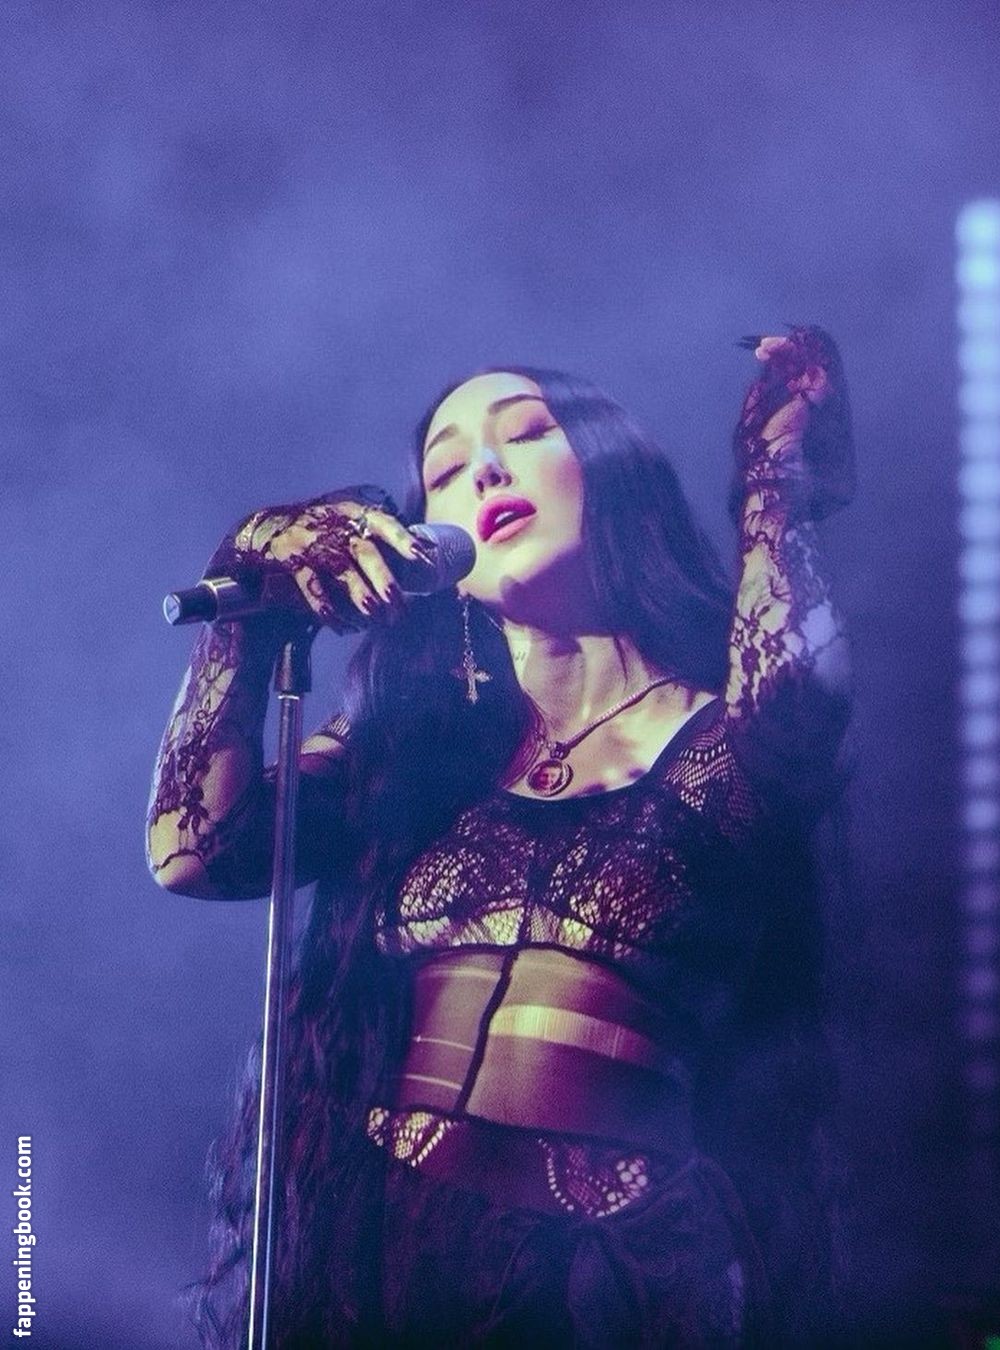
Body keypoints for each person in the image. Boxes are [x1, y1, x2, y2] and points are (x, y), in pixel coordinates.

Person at [147, 327, 855, 1348]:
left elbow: (797, 699)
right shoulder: (411, 753)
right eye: (445, 469)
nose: (483, 469)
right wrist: (246, 592)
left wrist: (773, 486)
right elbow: (192, 848)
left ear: (613, 474)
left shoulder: (719, 736)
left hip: (614, 1283)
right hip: (387, 1258)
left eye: (525, 434)